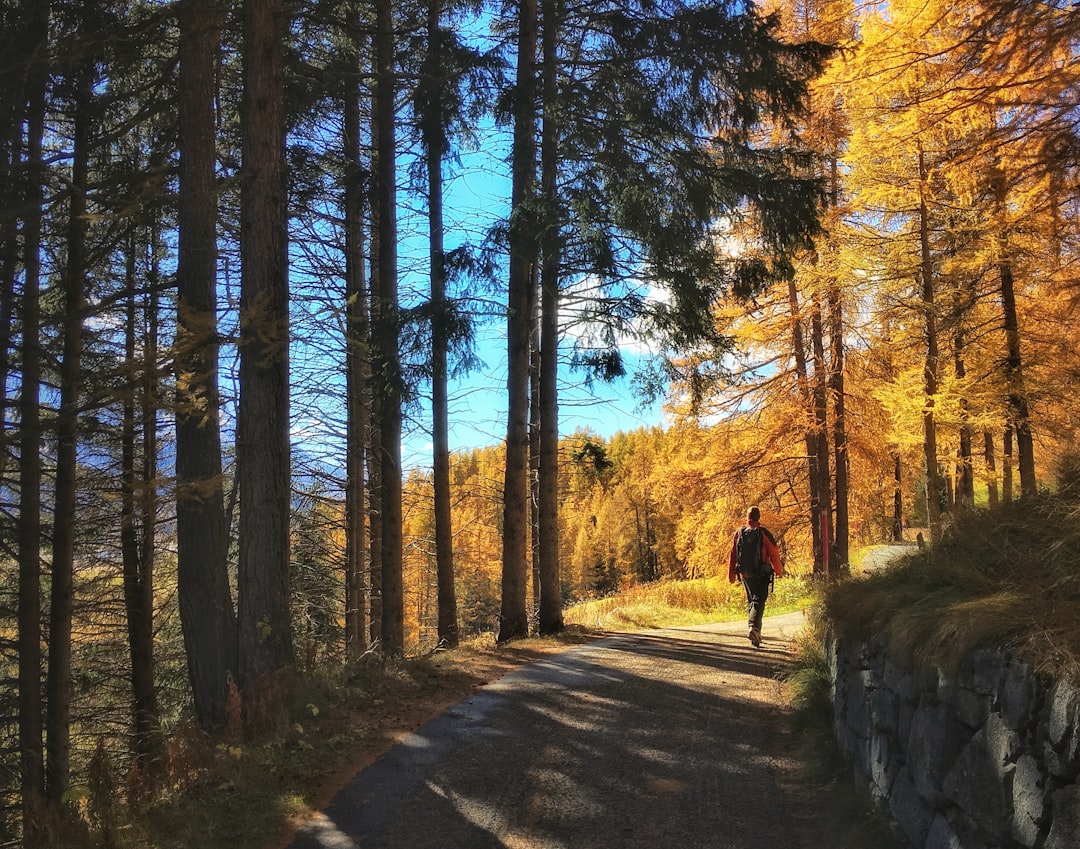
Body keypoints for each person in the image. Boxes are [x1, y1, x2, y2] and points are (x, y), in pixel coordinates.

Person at [727, 506, 783, 647]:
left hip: (745, 573)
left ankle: (755, 636)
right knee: (759, 600)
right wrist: (778, 571)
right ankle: (753, 627)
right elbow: (774, 554)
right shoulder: (763, 533)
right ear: (759, 517)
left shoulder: (739, 533)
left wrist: (731, 575)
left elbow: (733, 554)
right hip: (761, 573)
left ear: (747, 517)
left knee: (752, 601)